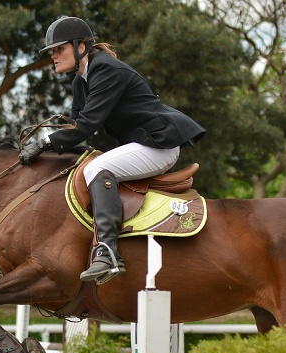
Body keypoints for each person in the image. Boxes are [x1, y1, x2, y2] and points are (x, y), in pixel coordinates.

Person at [19, 15, 206, 284]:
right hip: (141, 144)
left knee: (97, 167)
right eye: (52, 52)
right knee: (84, 164)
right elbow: (74, 126)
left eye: (59, 49)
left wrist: (45, 143)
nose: (54, 56)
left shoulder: (105, 69)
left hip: (158, 143)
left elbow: (85, 127)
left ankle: (108, 252)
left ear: (80, 46)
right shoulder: (79, 82)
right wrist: (45, 150)